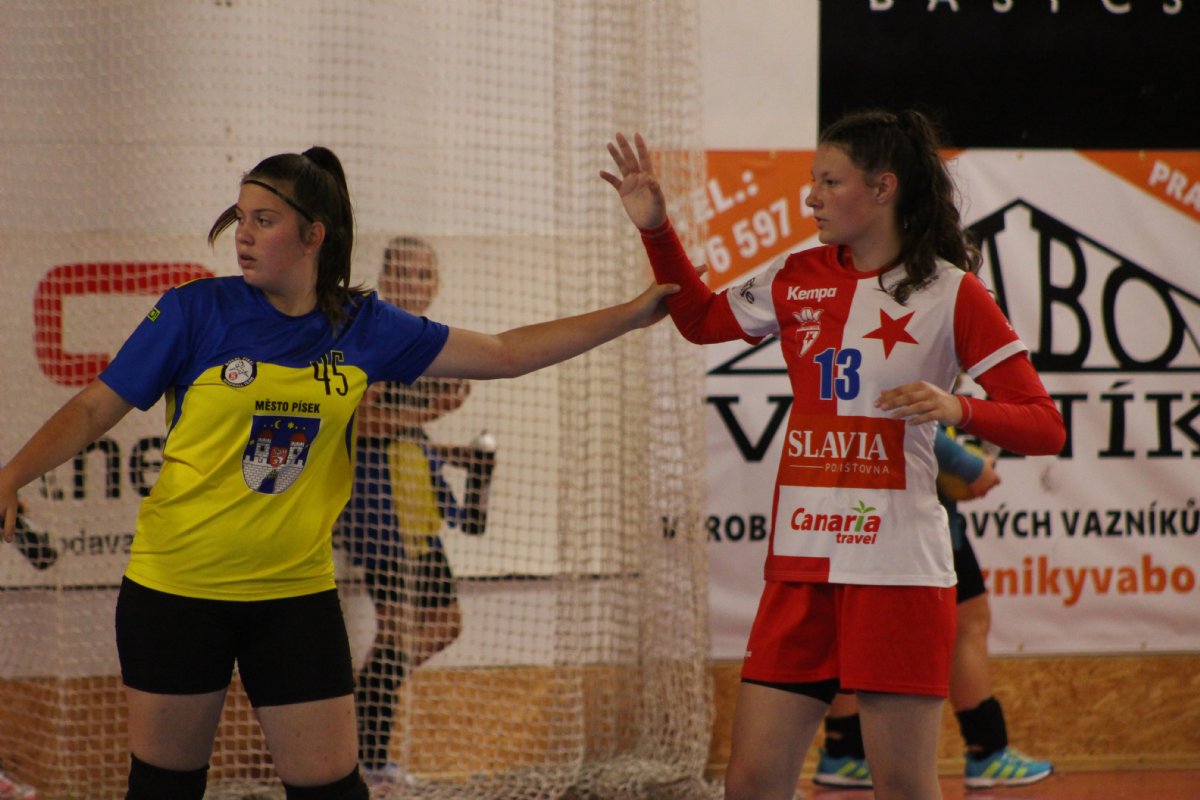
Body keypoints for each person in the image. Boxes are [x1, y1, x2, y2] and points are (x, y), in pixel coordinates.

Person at [0, 146, 679, 800]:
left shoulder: (364, 326)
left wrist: (631, 313)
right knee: (165, 788)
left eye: (264, 220)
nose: (243, 235)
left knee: (330, 789)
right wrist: (11, 476)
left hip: (294, 597)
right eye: (240, 218)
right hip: (176, 592)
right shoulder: (194, 310)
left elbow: (504, 353)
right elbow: (93, 408)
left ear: (313, 235)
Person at [601, 111, 1065, 800]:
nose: (810, 197)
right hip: (803, 564)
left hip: (896, 571)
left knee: (903, 786)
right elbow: (698, 320)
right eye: (812, 181)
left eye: (829, 182)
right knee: (751, 784)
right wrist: (656, 229)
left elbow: (1045, 428)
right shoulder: (797, 277)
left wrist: (958, 408)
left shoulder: (951, 292)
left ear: (882, 188)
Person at [814, 425, 1054, 790]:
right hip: (910, 511)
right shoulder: (893, 394)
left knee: (864, 624)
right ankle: (986, 750)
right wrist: (969, 467)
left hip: (879, 502)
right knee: (967, 620)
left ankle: (844, 748)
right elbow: (904, 418)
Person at [340, 236, 494, 783]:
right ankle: (369, 758)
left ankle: (361, 716)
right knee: (396, 630)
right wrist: (433, 408)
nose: (414, 283)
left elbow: (402, 435)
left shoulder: (426, 344)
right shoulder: (372, 337)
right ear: (386, 278)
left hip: (415, 512)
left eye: (424, 274)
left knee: (441, 624)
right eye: (403, 273)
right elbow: (358, 426)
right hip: (378, 511)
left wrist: (453, 449)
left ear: (436, 284)